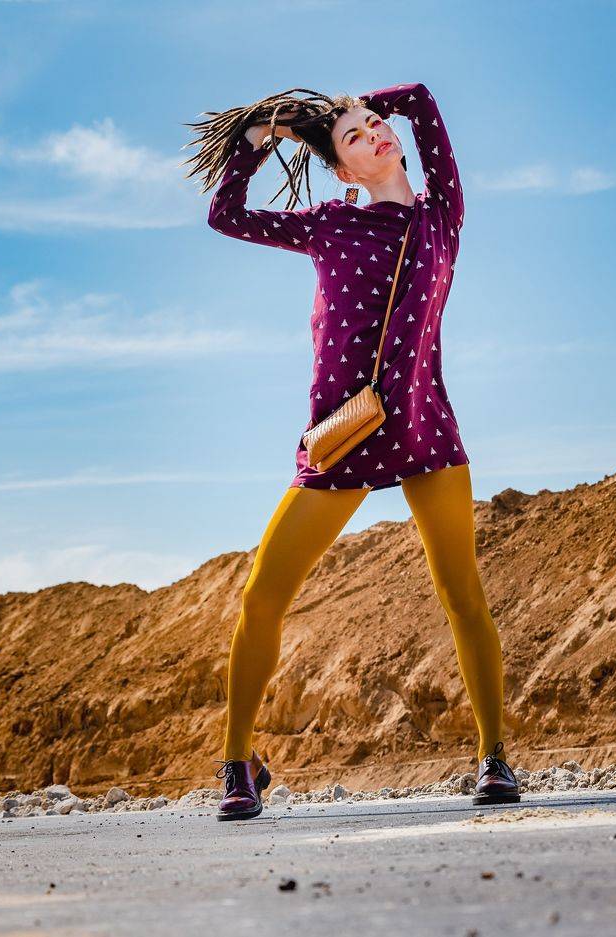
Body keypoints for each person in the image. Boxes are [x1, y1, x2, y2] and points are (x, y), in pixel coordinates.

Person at [183, 82, 519, 820]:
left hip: (423, 427)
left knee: (463, 594)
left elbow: (422, 101)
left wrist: (350, 106)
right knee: (262, 595)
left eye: (375, 125)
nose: (374, 134)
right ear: (341, 171)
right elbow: (226, 215)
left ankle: (494, 757)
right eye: (355, 137)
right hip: (343, 434)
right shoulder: (329, 224)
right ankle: (239, 764)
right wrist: (261, 140)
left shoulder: (440, 217)